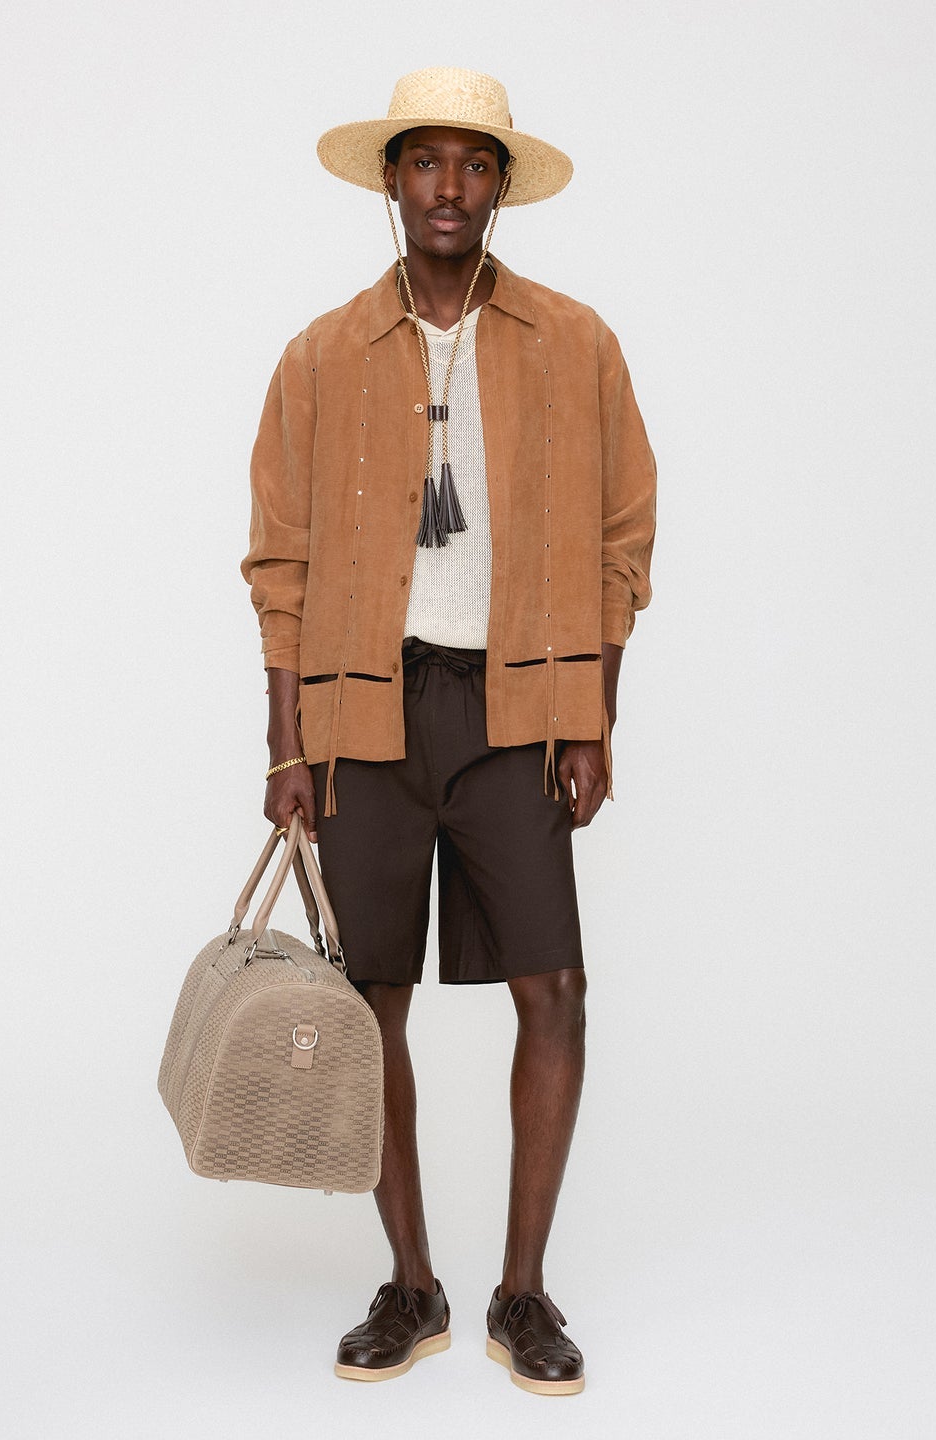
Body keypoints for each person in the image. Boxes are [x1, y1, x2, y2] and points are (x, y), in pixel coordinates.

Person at [241, 67, 656, 1396]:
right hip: (365, 715)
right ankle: (411, 1284)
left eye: (473, 167)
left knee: (558, 989)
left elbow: (620, 540)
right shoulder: (320, 356)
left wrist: (592, 708)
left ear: (499, 186)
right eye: (424, 164)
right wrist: (286, 746)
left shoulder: (574, 343)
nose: (448, 190)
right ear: (390, 181)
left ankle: (521, 1294)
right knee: (368, 1008)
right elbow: (280, 568)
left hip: (517, 710)